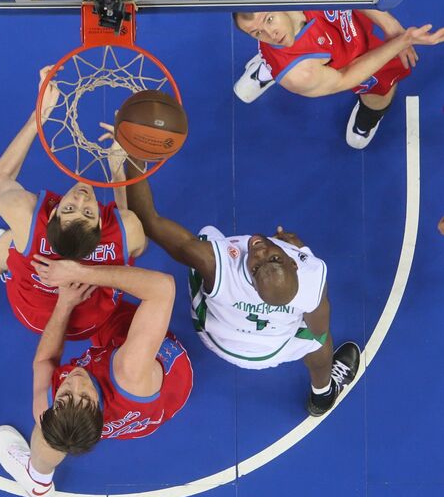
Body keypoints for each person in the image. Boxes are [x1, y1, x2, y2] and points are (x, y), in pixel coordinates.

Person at [122, 158, 360, 417]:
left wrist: (135, 156)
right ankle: (323, 395)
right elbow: (319, 329)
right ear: (293, 262)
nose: (260, 252)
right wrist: (302, 249)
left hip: (215, 337)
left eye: (259, 265)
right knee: (319, 342)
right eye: (271, 258)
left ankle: (323, 394)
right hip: (273, 348)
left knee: (204, 237)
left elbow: (150, 221)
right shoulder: (312, 274)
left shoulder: (217, 261)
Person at [0, 66, 145, 340]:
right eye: (87, 211)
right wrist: (117, 168)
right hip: (91, 324)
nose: (81, 198)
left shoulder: (28, 218)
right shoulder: (126, 227)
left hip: (30, 313)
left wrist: (40, 115)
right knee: (128, 241)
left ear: (52, 213)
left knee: (11, 240)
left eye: (70, 209)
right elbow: (136, 242)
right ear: (103, 223)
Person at [0, 261, 193, 497]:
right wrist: (79, 272)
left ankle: (38, 478)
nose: (76, 382)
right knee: (94, 288)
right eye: (85, 397)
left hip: (128, 397)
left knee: (52, 433)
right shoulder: (129, 369)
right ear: (98, 410)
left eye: (66, 395)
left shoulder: (50, 409)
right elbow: (163, 288)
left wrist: (64, 304)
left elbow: (44, 361)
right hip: (171, 376)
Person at [233, 9, 444, 148]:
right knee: (378, 90)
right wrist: (402, 40)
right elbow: (345, 78)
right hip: (331, 63)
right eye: (257, 33)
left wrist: (388, 22)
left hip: (348, 21)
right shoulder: (300, 75)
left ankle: (268, 67)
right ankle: (272, 67)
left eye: (270, 20)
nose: (270, 34)